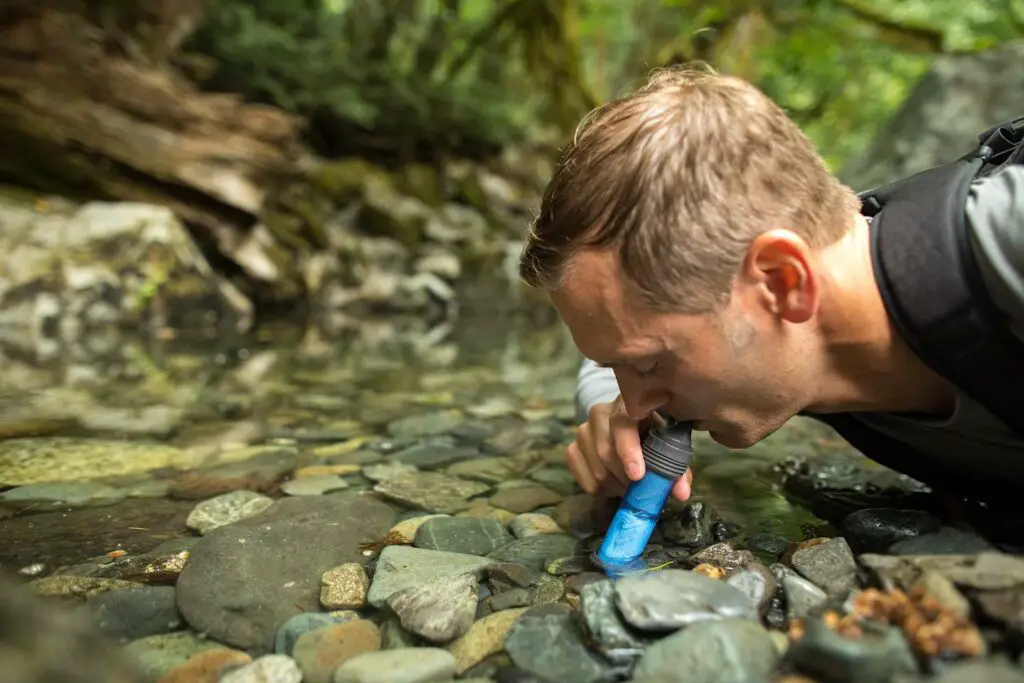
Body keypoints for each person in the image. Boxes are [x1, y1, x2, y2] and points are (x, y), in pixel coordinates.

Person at [517, 62, 1024, 510]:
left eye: (650, 365)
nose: (640, 401)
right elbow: (613, 348)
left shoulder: (1008, 243)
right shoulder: (815, 307)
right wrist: (609, 415)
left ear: (783, 282)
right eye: (621, 368)